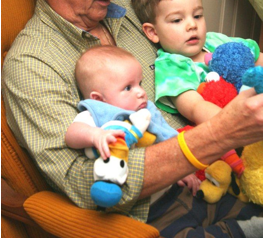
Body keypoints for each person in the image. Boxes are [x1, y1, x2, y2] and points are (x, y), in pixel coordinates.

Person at [1, 0, 263, 238]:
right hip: (155, 222)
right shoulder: (32, 64)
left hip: (217, 179)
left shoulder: (126, 18)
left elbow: (194, 66)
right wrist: (219, 134)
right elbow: (82, 184)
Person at [131, 0, 263, 125]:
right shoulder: (171, 66)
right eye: (177, 20)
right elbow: (195, 107)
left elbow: (256, 57)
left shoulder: (216, 41)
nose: (192, 25)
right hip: (232, 126)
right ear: (153, 32)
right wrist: (236, 121)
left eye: (197, 16)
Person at [65, 45, 200, 196]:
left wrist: (181, 168)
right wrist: (95, 135)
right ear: (98, 99)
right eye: (128, 88)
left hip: (168, 182)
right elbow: (72, 135)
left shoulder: (146, 111)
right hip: (134, 192)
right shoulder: (97, 112)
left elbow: (168, 137)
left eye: (140, 84)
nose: (141, 92)